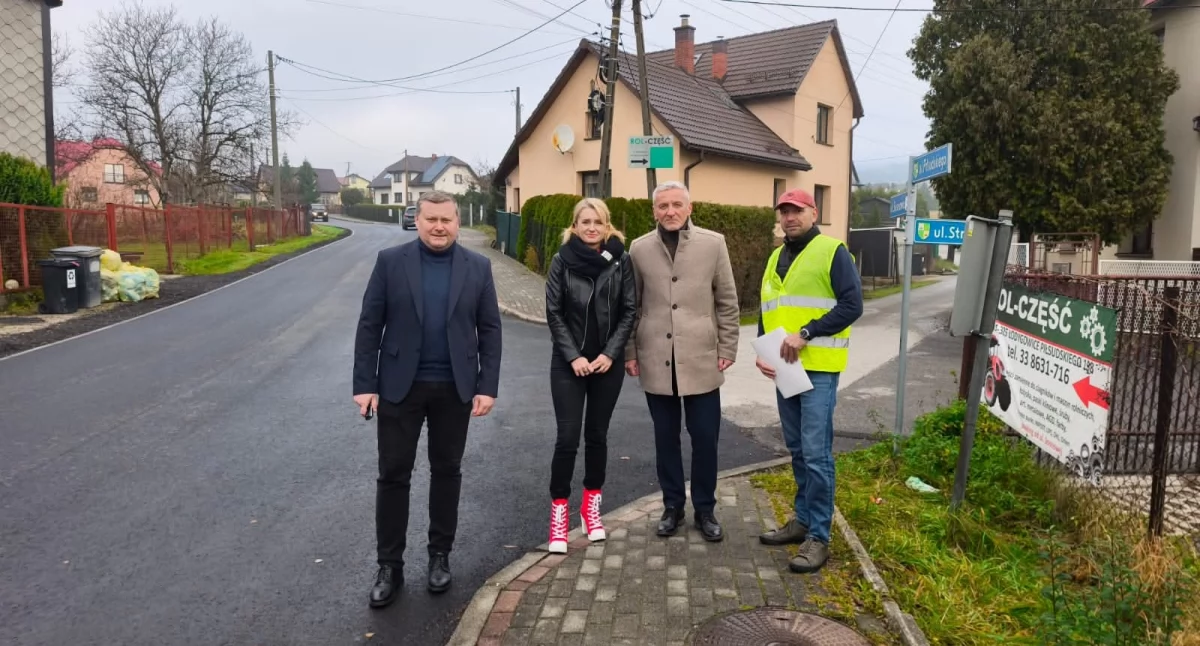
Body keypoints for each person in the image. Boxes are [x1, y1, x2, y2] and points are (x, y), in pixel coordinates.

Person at [352, 190, 502, 609]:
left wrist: (486, 385)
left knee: (447, 471)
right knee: (394, 474)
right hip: (400, 386)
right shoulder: (390, 263)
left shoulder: (479, 267)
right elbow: (369, 325)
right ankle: (389, 566)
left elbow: (490, 330)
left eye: (447, 220)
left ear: (458, 222)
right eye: (431, 219)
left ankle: (440, 557)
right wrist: (365, 384)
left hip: (455, 388)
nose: (439, 226)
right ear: (416, 221)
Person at [624, 181, 740, 542]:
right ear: (654, 210)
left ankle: (705, 508)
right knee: (665, 438)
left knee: (705, 438)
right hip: (657, 358)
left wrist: (727, 348)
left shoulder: (713, 243)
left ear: (689, 208)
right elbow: (632, 306)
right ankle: (672, 505)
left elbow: (727, 301)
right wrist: (630, 352)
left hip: (702, 357)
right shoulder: (639, 249)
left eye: (677, 204)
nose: (670, 211)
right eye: (663, 206)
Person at [755, 189, 862, 574]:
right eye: (783, 212)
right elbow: (768, 308)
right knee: (798, 450)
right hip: (785, 369)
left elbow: (853, 305)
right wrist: (764, 352)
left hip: (818, 367)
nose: (789, 218)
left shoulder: (833, 251)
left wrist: (807, 332)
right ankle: (802, 521)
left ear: (813, 212)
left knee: (817, 454)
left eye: (797, 211)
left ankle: (819, 536)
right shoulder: (775, 257)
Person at [543, 198, 637, 553]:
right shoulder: (561, 261)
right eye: (585, 221)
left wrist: (610, 354)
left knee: (597, 436)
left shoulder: (621, 261)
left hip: (605, 366)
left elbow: (630, 310)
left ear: (607, 225)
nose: (591, 227)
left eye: (598, 221)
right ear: (575, 225)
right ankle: (559, 513)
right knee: (567, 438)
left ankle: (591, 509)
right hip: (569, 365)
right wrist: (573, 357)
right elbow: (553, 313)